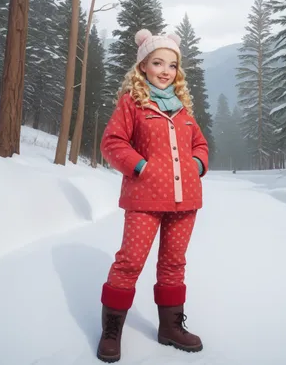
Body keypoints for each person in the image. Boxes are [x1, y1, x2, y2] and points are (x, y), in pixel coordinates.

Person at [97, 29, 209, 363]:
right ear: (143, 65)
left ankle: (170, 327)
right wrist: (141, 167)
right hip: (144, 200)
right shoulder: (133, 104)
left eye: (171, 65)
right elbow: (112, 142)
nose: (165, 70)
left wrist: (197, 164)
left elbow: (200, 144)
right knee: (130, 262)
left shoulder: (183, 110)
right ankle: (112, 330)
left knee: (174, 264)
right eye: (157, 63)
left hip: (184, 202)